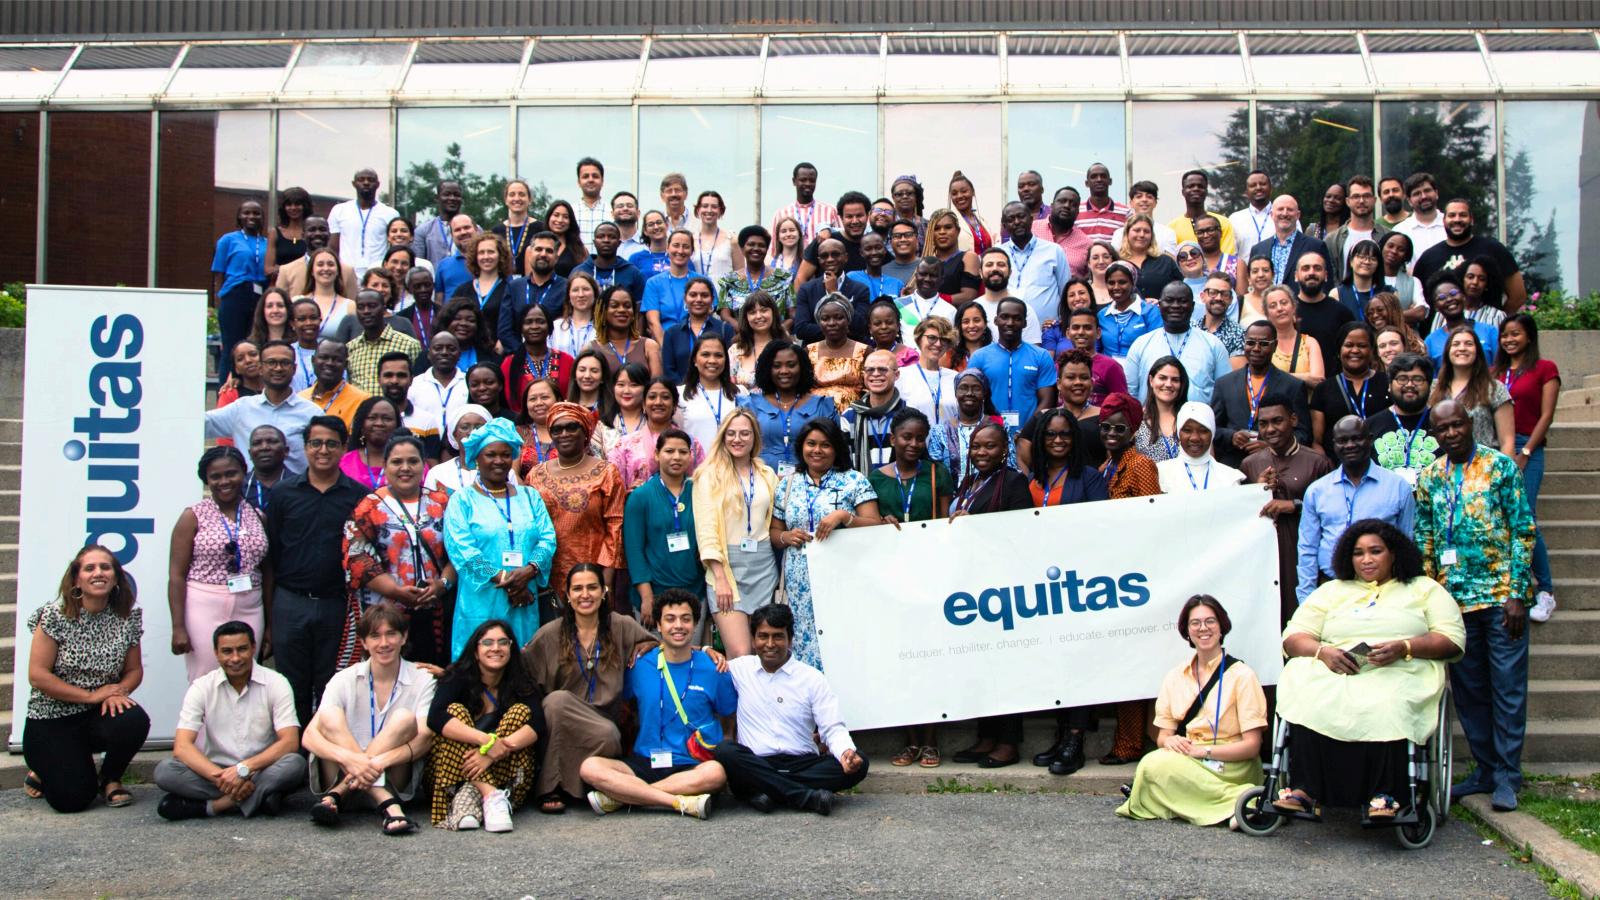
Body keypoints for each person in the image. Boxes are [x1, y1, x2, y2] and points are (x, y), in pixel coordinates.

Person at [1274, 521, 1464, 822]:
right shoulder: (1331, 591)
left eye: (1376, 551)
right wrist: (1323, 652)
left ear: (1394, 553)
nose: (1366, 560)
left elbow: (1451, 639)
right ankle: (1305, 790)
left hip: (1400, 667)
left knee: (1388, 701)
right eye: (1358, 553)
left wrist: (1405, 646)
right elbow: (1293, 637)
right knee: (1306, 693)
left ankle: (1387, 794)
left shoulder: (1424, 589)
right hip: (1337, 667)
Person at [1414, 400, 1536, 811]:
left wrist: (1517, 593)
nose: (1451, 433)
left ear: (1470, 424)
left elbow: (1523, 530)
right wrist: (1429, 601)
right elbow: (1425, 538)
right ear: (1435, 434)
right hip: (1454, 603)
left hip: (1502, 599)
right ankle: (1485, 769)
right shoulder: (1430, 476)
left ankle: (1508, 776)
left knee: (1507, 688)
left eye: (1457, 425)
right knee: (1469, 691)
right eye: (1442, 428)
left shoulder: (1500, 467)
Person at [579, 589, 732, 820]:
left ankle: (626, 796)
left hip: (691, 763)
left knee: (716, 773)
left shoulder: (713, 667)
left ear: (695, 624)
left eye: (686, 619)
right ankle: (676, 801)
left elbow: (728, 715)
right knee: (590, 767)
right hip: (645, 760)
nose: (678, 626)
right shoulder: (639, 665)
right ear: (658, 626)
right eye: (670, 619)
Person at [1116, 595, 1267, 827]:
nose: (1203, 628)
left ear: (1222, 626)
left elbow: (1252, 746)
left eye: (1210, 621)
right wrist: (1171, 741)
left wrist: (1202, 751)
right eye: (1195, 623)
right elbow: (1163, 736)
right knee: (1150, 763)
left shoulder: (1243, 676)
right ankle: (1239, 804)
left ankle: (1242, 799)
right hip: (1191, 759)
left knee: (1154, 770)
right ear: (1187, 631)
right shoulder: (1175, 676)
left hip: (1232, 764)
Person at [22, 546, 150, 813]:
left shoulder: (127, 616)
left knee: (133, 720)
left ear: (116, 577)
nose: (98, 573)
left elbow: (134, 670)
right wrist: (91, 696)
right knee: (72, 800)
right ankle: (43, 769)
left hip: (97, 715)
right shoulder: (55, 615)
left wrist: (119, 691)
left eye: (105, 567)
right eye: (90, 568)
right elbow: (38, 676)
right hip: (52, 718)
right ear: (76, 579)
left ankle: (110, 778)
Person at [717, 604, 869, 814]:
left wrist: (846, 753)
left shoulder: (811, 678)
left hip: (802, 764)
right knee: (726, 751)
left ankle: (765, 792)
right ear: (753, 640)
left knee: (861, 763)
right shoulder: (738, 669)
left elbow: (832, 727)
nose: (770, 644)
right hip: (757, 762)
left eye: (778, 636)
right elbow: (691, 655)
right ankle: (806, 797)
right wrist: (707, 650)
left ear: (790, 640)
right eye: (763, 636)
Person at [266, 416, 369, 727]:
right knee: (290, 685)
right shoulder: (283, 494)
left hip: (336, 604)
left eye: (331, 444)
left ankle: (325, 751)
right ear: (305, 447)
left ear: (344, 448)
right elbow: (273, 552)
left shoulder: (359, 496)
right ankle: (294, 752)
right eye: (316, 443)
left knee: (332, 684)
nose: (323, 450)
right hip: (290, 602)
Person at [945, 421, 1037, 767]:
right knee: (981, 665)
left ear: (1004, 450)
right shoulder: (969, 482)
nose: (982, 452)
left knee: (1005, 666)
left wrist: (975, 526)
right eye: (976, 446)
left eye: (990, 446)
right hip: (971, 588)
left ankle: (1008, 742)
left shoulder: (1013, 482)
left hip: (1001, 588)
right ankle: (986, 736)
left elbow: (1021, 534)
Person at [303, 604, 434, 835]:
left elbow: (425, 737)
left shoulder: (423, 678)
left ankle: (343, 793)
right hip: (339, 774)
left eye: (391, 634)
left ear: (404, 637)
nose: (384, 643)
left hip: (391, 782)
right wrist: (351, 760)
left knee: (404, 718)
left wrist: (375, 764)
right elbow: (309, 736)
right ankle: (385, 802)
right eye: (375, 636)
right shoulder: (343, 678)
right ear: (363, 642)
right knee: (329, 715)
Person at [155, 621, 305, 821]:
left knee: (295, 764)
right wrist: (223, 777)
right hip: (216, 773)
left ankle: (215, 806)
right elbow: (182, 747)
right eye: (227, 651)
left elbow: (290, 741)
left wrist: (243, 770)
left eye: (242, 649)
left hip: (261, 770)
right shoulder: (202, 687)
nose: (235, 658)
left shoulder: (276, 682)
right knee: (165, 771)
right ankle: (261, 797)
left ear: (253, 648)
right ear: (216, 653)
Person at [444, 417, 558, 656]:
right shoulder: (462, 500)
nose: (499, 461)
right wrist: (508, 580)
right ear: (477, 458)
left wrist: (530, 570)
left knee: (522, 659)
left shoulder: (530, 497)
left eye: (506, 454)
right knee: (480, 660)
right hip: (482, 600)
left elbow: (547, 538)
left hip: (524, 598)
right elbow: (462, 550)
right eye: (491, 454)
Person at [339, 435, 456, 669]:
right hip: (384, 614)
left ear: (423, 464)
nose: (405, 468)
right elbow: (357, 558)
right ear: (385, 465)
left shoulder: (444, 503)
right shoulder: (369, 506)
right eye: (397, 462)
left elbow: (460, 552)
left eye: (413, 461)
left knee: (433, 674)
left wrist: (442, 584)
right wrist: (396, 592)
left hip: (436, 611)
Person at [772, 417, 884, 658]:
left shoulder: (854, 480)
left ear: (836, 449)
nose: (817, 450)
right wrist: (786, 536)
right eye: (811, 443)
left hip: (844, 577)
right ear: (802, 446)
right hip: (800, 583)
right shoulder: (787, 485)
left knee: (844, 641)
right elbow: (774, 532)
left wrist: (845, 517)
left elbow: (876, 526)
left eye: (825, 445)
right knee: (805, 643)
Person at [425, 618, 543, 831]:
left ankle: (472, 803)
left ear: (511, 648)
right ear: (475, 651)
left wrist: (491, 754)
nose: (496, 648)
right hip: (454, 776)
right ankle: (490, 795)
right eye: (488, 642)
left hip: (506, 776)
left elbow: (538, 723)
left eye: (503, 642)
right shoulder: (457, 676)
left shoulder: (521, 680)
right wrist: (486, 741)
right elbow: (435, 717)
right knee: (455, 712)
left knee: (520, 712)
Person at [167, 447, 269, 682]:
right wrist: (178, 627)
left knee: (247, 674)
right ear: (206, 480)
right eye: (216, 476)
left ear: (243, 473)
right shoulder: (192, 516)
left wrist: (271, 626)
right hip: (204, 605)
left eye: (231, 473)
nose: (224, 481)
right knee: (205, 678)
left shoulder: (258, 516)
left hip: (251, 605)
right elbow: (176, 576)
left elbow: (268, 571)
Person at [1296, 415, 1416, 603]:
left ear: (1370, 439)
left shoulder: (1398, 487)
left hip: (1384, 591)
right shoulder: (1317, 491)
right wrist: (1306, 598)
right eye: (1342, 441)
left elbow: (1407, 543)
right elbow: (1307, 549)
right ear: (1334, 445)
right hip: (1332, 589)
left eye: (1356, 438)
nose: (1350, 445)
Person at [1242, 394, 1334, 624]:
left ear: (1293, 420)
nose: (1270, 429)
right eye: (1263, 424)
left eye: (1277, 421)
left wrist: (1295, 505)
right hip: (1264, 558)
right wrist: (1256, 491)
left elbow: (1332, 510)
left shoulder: (1317, 462)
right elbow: (1241, 516)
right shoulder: (1250, 465)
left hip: (1302, 555)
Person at [525, 403, 626, 611]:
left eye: (572, 427)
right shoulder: (535, 475)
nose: (564, 434)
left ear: (585, 431)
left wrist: (606, 579)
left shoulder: (606, 472)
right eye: (557, 429)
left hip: (593, 574)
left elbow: (615, 526)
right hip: (548, 574)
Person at [1495, 314, 1561, 623]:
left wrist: (1525, 451)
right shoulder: (1496, 372)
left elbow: (1546, 416)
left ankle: (1545, 591)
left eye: (1515, 334)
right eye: (1505, 335)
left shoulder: (1545, 369)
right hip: (1497, 445)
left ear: (1529, 336)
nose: (1509, 340)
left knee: (1527, 518)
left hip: (1527, 446)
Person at [207, 340, 320, 474]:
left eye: (285, 363)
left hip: (297, 486)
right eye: (271, 363)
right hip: (251, 486)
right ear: (260, 368)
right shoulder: (241, 409)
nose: (278, 368)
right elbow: (198, 423)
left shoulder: (312, 413)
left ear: (294, 369)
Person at [1211, 320, 1312, 468]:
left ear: (1275, 346)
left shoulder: (1293, 386)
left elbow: (1304, 434)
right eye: (1250, 343)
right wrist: (1231, 436)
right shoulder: (1224, 384)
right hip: (1233, 467)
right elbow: (1212, 428)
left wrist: (1271, 446)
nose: (1256, 348)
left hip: (1278, 467)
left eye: (1264, 344)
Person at [1123, 282, 1230, 405]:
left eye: (1182, 301)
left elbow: (1225, 392)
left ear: (1192, 306)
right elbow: (1130, 393)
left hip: (1198, 417)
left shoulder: (1213, 345)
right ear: (1160, 305)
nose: (1175, 306)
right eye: (1169, 300)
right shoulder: (1141, 344)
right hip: (1150, 416)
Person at [741, 341, 837, 475]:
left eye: (791, 365)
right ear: (767, 368)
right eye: (776, 366)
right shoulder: (750, 404)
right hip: (760, 479)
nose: (784, 371)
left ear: (802, 367)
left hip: (811, 481)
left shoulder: (822, 406)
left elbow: (836, 452)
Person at [1412, 200, 1525, 313]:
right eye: (1452, 215)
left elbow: (1518, 296)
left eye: (1463, 215)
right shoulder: (1428, 257)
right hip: (1441, 324)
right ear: (1444, 221)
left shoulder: (1493, 249)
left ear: (1471, 220)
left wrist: (1498, 320)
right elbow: (1418, 302)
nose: (1457, 219)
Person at [967, 296, 1055, 437]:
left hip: (1030, 437)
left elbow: (1047, 400)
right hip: (989, 436)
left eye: (1017, 318)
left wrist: (1026, 433)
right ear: (995, 320)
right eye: (1004, 317)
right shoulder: (979, 357)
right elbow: (972, 399)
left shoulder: (1041, 356)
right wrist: (988, 430)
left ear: (1025, 323)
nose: (1010, 323)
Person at [1428, 325, 1514, 458]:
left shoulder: (1494, 388)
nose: (1462, 348)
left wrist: (1506, 469)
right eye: (1456, 344)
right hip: (1442, 466)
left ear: (1477, 351)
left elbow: (1507, 441)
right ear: (1448, 351)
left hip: (1485, 465)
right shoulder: (1432, 388)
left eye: (1468, 344)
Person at [1309, 322, 1390, 453]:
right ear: (1339, 350)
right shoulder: (1323, 389)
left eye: (1362, 346)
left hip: (1382, 458)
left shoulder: (1387, 383)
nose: (1355, 350)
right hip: (1337, 461)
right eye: (1349, 345)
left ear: (1371, 350)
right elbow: (1317, 442)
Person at [212, 200, 269, 381]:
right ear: (239, 217)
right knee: (232, 346)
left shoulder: (267, 242)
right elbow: (218, 274)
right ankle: (226, 389)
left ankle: (250, 388)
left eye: (256, 213)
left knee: (255, 345)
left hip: (260, 296)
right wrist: (219, 303)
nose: (251, 216)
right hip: (235, 294)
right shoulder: (228, 240)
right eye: (246, 213)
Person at [1368, 352, 1443, 484]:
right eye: (1402, 379)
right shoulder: (1370, 426)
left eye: (1417, 379)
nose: (1409, 384)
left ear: (1429, 385)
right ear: (1389, 385)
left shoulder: (1443, 425)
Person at [793, 237, 873, 343]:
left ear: (845, 257)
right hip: (816, 350)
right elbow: (801, 329)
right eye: (824, 256)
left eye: (835, 254)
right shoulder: (807, 289)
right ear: (819, 260)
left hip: (851, 350)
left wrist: (835, 293)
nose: (830, 259)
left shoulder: (860, 289)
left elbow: (861, 327)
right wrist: (841, 330)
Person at [1248, 195, 1332, 295]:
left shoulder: (1315, 246)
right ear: (1271, 215)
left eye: (1290, 210)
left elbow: (1327, 285)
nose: (1285, 213)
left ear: (1298, 215)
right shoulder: (1258, 249)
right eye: (1280, 209)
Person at [500, 302, 575, 414]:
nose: (534, 326)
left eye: (540, 321)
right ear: (521, 328)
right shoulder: (509, 364)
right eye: (528, 322)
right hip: (522, 423)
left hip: (562, 421)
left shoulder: (567, 361)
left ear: (549, 326)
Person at [499, 231, 570, 348]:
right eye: (538, 249)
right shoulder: (514, 287)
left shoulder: (567, 288)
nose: (543, 254)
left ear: (556, 258)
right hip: (518, 354)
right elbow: (505, 330)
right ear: (530, 254)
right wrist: (524, 353)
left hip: (554, 353)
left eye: (549, 251)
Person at [841, 348, 909, 470]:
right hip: (859, 481)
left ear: (897, 375)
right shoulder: (849, 416)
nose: (876, 374)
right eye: (870, 370)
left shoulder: (908, 415)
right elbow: (843, 461)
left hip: (898, 481)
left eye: (882, 369)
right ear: (864, 375)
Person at [662, 277, 736, 386]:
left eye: (704, 295)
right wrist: (684, 390)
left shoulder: (725, 330)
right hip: (681, 393)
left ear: (712, 299)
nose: (698, 299)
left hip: (717, 391)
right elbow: (669, 370)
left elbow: (730, 365)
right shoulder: (672, 333)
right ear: (685, 299)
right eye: (693, 295)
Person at [1156, 402, 1245, 494]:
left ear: (1212, 433)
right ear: (1178, 433)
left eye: (1203, 431)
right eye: (1187, 430)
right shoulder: (1160, 473)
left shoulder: (1229, 478)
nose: (1195, 438)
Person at [345, 290, 421, 394]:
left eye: (372, 306)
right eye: (361, 307)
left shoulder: (409, 344)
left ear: (383, 308)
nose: (366, 311)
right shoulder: (350, 348)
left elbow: (418, 385)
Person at [328, 167, 400, 275]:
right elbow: (333, 247)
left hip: (378, 273)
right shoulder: (339, 210)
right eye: (361, 179)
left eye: (370, 180)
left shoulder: (390, 213)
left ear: (377, 184)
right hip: (346, 272)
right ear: (354, 184)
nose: (366, 183)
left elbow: (395, 246)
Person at [405, 332, 466, 457]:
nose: (444, 352)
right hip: (423, 452)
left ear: (459, 354)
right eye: (438, 348)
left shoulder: (468, 382)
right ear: (428, 354)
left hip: (459, 452)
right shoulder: (414, 384)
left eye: (451, 349)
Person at [896, 315, 959, 434]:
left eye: (944, 339)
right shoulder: (901, 376)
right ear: (919, 339)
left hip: (951, 443)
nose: (938, 344)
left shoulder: (956, 378)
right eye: (932, 338)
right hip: (915, 443)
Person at [807, 294, 870, 413]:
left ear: (848, 320)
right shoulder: (808, 351)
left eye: (839, 317)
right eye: (825, 319)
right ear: (819, 322)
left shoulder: (864, 351)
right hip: (815, 416)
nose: (832, 323)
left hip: (854, 416)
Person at [1423, 270, 1500, 366]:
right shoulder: (1430, 341)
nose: (1449, 299)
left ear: (1464, 296)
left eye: (1453, 293)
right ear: (1435, 307)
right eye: (1442, 298)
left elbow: (1500, 368)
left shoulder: (1489, 331)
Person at [719, 225, 793, 323]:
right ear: (742, 248)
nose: (756, 248)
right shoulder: (729, 281)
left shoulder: (783, 278)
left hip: (777, 332)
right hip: (740, 332)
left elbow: (793, 314)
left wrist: (781, 329)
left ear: (767, 249)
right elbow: (725, 315)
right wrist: (739, 328)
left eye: (761, 245)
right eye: (751, 244)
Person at [1326, 175, 1391, 282]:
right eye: (1356, 196)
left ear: (1374, 200)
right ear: (1347, 201)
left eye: (1366, 196)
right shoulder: (1332, 240)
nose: (1361, 201)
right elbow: (1330, 277)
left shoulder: (1387, 236)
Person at [277, 216, 359, 300]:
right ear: (303, 235)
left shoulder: (347, 272)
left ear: (329, 234)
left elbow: (353, 303)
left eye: (322, 229)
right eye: (312, 230)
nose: (317, 233)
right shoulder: (286, 271)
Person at [297, 339, 371, 430]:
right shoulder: (300, 398)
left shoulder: (362, 401)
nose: (329, 363)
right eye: (324, 357)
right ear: (313, 360)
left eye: (337, 359)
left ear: (346, 365)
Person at [641, 229, 698, 342]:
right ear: (667, 248)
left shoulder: (702, 282)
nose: (680, 251)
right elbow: (653, 322)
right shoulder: (653, 283)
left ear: (692, 251)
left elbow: (706, 318)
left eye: (686, 247)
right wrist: (666, 348)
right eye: (676, 245)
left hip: (696, 343)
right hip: (664, 341)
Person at [573, 221, 647, 307]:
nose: (606, 240)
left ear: (619, 243)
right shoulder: (580, 271)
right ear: (594, 242)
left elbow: (639, 308)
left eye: (612, 237)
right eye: (601, 237)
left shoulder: (632, 273)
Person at [1261, 284, 1323, 386]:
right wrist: (1305, 377)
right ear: (1267, 315)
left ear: (1294, 307)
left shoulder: (1310, 343)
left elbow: (1317, 381)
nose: (1279, 308)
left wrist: (1276, 377)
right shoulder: (1264, 345)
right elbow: (1261, 379)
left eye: (1284, 303)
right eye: (1273, 306)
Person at [423, 403, 493, 494]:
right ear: (454, 434)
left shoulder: (500, 469)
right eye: (465, 427)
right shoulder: (438, 473)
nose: (472, 432)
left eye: (479, 428)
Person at [1096, 260, 1160, 358]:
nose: (1116, 287)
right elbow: (1096, 349)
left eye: (1122, 282)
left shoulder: (1150, 312)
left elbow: (1157, 348)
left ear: (1133, 283)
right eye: (1111, 283)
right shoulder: (1102, 315)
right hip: (1110, 367)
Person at [596, 284, 663, 377]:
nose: (622, 310)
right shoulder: (592, 348)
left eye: (627, 306)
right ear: (603, 311)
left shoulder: (649, 346)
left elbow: (656, 384)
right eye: (614, 306)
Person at [770, 162, 842, 247]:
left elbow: (841, 239)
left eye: (812, 180)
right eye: (803, 180)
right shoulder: (781, 214)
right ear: (794, 181)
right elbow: (773, 248)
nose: (808, 183)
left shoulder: (830, 211)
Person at [729, 290, 787, 392]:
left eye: (764, 310)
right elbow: (728, 386)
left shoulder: (788, 347)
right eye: (752, 312)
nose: (759, 316)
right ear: (746, 317)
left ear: (773, 313)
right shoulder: (735, 350)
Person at [921, 208, 982, 305]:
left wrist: (930, 299)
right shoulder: (925, 262)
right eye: (936, 228)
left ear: (958, 231)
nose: (942, 232)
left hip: (958, 313)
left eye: (948, 227)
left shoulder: (968, 257)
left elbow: (969, 296)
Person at [1132, 357, 1187, 463]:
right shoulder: (1136, 418)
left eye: (1175, 380)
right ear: (1151, 380)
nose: (1168, 384)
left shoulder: (1191, 418)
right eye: (1162, 378)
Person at [1169, 170, 1237, 254]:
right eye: (1190, 186)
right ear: (1183, 192)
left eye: (1200, 186)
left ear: (1206, 191)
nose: (1196, 189)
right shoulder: (1172, 228)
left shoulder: (1223, 222)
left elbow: (1227, 257)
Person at [897, 256, 958, 346]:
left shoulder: (950, 311)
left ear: (942, 280)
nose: (927, 279)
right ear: (916, 276)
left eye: (933, 276)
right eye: (923, 274)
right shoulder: (899, 305)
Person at [1032, 186, 1091, 277]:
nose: (1067, 206)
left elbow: (1090, 277)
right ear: (1051, 206)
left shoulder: (1086, 244)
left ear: (1077, 212)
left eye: (1073, 204)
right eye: (1062, 201)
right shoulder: (1031, 229)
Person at [1392, 172, 1447, 264]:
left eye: (1427, 190)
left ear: (1436, 193)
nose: (1424, 196)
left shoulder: (1451, 224)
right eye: (1417, 193)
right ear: (1409, 201)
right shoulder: (1400, 231)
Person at [436, 297, 500, 373]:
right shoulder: (429, 357)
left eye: (470, 320)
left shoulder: (491, 357)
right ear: (446, 323)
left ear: (478, 326)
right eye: (457, 318)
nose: (463, 323)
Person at [548, 270, 600, 361]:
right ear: (569, 296)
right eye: (575, 290)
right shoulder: (555, 327)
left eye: (586, 289)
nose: (581, 295)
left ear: (595, 294)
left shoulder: (602, 328)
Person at [1228, 170, 1284, 254]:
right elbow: (1230, 254)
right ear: (1246, 192)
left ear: (1271, 189)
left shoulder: (1285, 216)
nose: (1258, 188)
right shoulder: (1235, 219)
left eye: (1263, 184)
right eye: (1253, 185)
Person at [1196, 272, 1246, 362]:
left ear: (1231, 300)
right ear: (1202, 297)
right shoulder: (1191, 328)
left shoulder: (1238, 334)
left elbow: (1236, 370)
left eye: (1225, 294)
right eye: (1213, 292)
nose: (1219, 298)